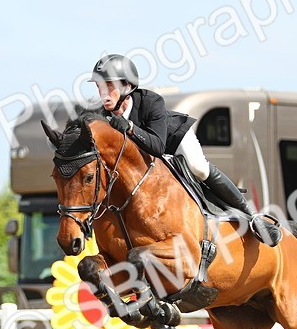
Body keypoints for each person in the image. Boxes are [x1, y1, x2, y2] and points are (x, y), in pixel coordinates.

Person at [90, 53, 282, 247]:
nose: (103, 94)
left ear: (127, 86)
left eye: (109, 86)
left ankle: (252, 216)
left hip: (173, 140)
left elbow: (157, 146)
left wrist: (130, 127)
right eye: (99, 87)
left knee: (199, 168)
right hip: (145, 156)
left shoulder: (151, 101)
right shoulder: (100, 115)